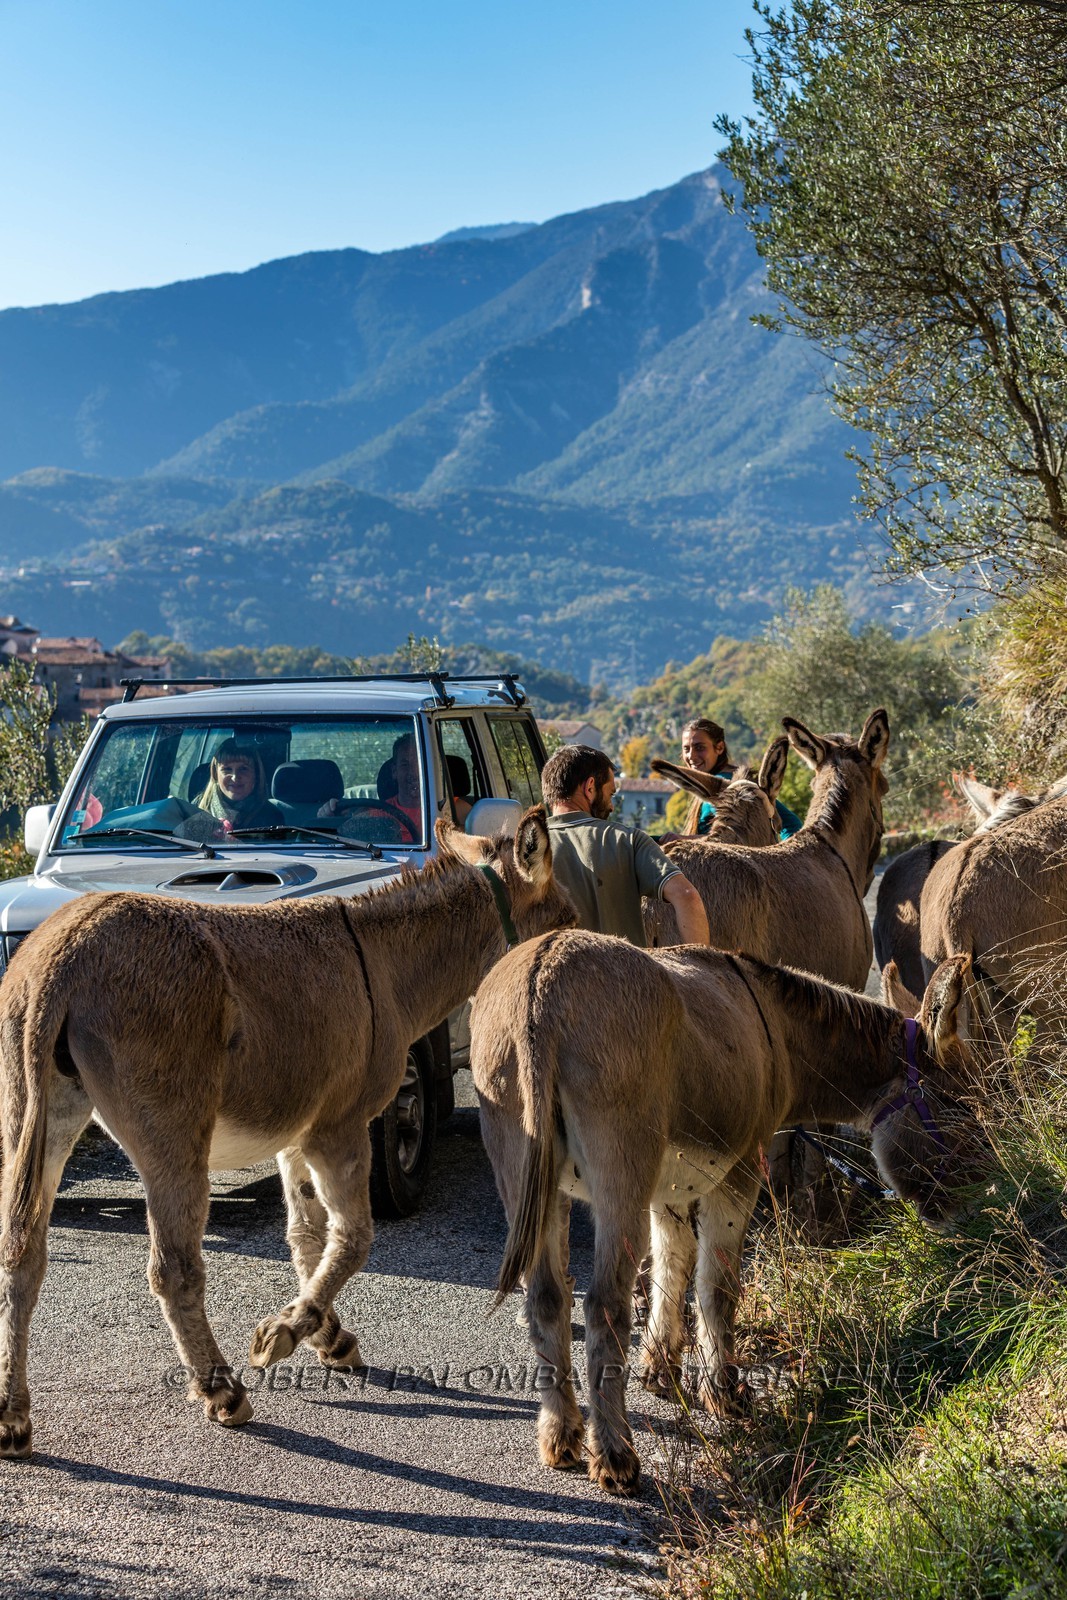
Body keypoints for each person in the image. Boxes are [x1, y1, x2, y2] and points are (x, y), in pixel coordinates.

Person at [542, 744, 710, 947]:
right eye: (610, 794)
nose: (612, 807)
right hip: (624, 967)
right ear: (590, 787)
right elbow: (687, 896)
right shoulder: (628, 840)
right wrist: (699, 963)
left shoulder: (525, 851)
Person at [680, 716, 803, 840]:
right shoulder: (737, 781)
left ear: (719, 748)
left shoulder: (728, 785)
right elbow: (792, 824)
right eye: (686, 749)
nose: (691, 756)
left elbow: (725, 841)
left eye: (699, 748)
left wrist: (677, 839)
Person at [192, 739, 284, 835]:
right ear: (215, 774)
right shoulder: (196, 809)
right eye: (227, 769)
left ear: (256, 775)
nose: (235, 777)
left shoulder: (271, 816)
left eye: (243, 769)